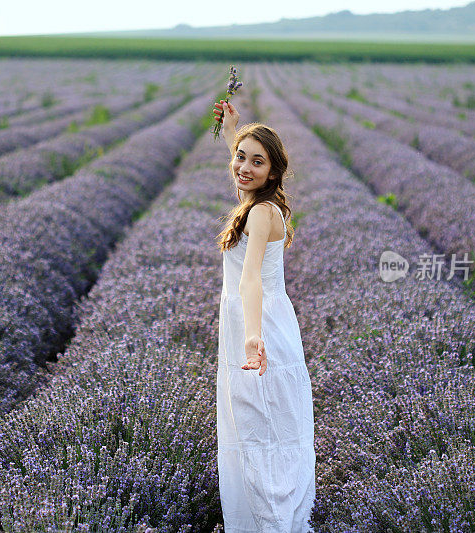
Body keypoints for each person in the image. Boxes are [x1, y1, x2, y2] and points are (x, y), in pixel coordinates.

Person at [212, 99, 316, 532]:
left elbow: (250, 278)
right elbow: (242, 178)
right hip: (256, 325)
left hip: (260, 329)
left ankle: (273, 525)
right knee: (259, 431)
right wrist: (233, 129)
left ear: (274, 172)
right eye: (240, 157)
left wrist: (253, 337)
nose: (244, 167)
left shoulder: (260, 212)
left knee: (263, 433)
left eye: (258, 162)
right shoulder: (257, 204)